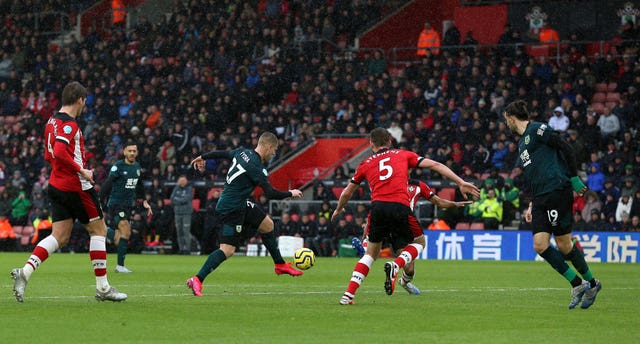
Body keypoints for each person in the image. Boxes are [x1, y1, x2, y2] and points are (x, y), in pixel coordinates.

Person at [332, 128, 479, 305]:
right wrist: (460, 182)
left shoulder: (365, 163)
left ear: (371, 145)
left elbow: (347, 192)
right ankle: (396, 265)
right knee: (420, 243)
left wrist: (339, 209)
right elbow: (435, 165)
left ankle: (348, 295)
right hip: (399, 206)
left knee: (370, 254)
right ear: (390, 141)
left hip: (377, 207)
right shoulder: (403, 155)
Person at [11, 81, 127, 302]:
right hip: (76, 186)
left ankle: (24, 273)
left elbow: (48, 155)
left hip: (56, 184)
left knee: (59, 236)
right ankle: (103, 288)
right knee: (99, 231)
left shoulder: (51, 121)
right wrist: (81, 169)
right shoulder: (69, 124)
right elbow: (61, 150)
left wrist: (61, 169)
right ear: (80, 100)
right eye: (84, 102)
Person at [503, 100, 601, 309]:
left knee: (565, 246)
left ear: (512, 118)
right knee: (540, 245)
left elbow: (565, 146)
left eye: (506, 120)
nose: (506, 124)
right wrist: (531, 203)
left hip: (557, 190)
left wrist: (573, 178)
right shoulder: (521, 145)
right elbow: (533, 175)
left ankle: (592, 283)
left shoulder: (537, 129)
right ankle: (577, 284)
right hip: (539, 198)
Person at [186, 132, 304, 297]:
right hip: (231, 209)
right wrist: (290, 193)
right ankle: (197, 279)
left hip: (239, 203)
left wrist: (203, 157)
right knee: (227, 250)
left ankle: (280, 264)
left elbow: (222, 153)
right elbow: (270, 193)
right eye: (274, 150)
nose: (273, 154)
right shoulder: (256, 167)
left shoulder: (242, 152)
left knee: (267, 224)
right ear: (268, 146)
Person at [354, 178, 471, 295]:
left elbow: (438, 201)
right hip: (387, 220)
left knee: (409, 269)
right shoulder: (388, 183)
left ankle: (404, 282)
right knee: (373, 248)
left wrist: (454, 204)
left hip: (402, 226)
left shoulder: (418, 185)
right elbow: (376, 207)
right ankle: (364, 249)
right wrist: (367, 228)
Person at [100, 141, 153, 273]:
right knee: (126, 228)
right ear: (124, 152)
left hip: (128, 205)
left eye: (134, 151)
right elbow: (108, 183)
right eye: (129, 151)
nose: (132, 153)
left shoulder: (136, 167)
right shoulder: (118, 166)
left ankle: (105, 231)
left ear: (137, 153)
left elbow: (139, 185)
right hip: (116, 204)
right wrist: (99, 200)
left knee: (122, 237)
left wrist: (144, 201)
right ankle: (120, 266)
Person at [170, 175, 193, 255]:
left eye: (183, 180)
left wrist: (178, 200)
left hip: (186, 213)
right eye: (180, 180)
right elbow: (172, 199)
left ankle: (188, 249)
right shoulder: (176, 188)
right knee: (179, 232)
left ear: (186, 181)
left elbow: (188, 198)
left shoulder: (189, 189)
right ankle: (181, 249)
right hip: (177, 213)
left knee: (186, 231)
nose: (182, 182)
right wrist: (181, 201)